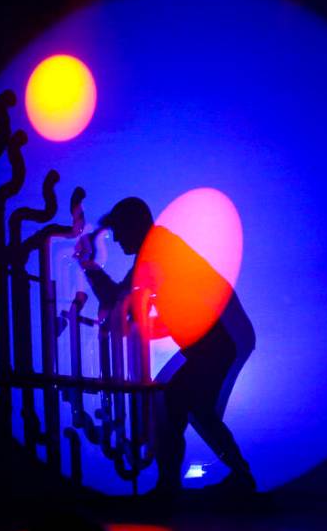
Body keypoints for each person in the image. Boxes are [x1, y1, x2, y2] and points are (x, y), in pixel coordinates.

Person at [80, 196, 256, 496]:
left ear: (134, 226)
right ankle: (236, 478)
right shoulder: (160, 247)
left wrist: (89, 264)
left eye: (120, 231)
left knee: (175, 403)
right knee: (195, 409)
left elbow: (117, 300)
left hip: (212, 344)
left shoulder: (155, 251)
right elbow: (177, 302)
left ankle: (171, 487)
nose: (118, 240)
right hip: (212, 343)